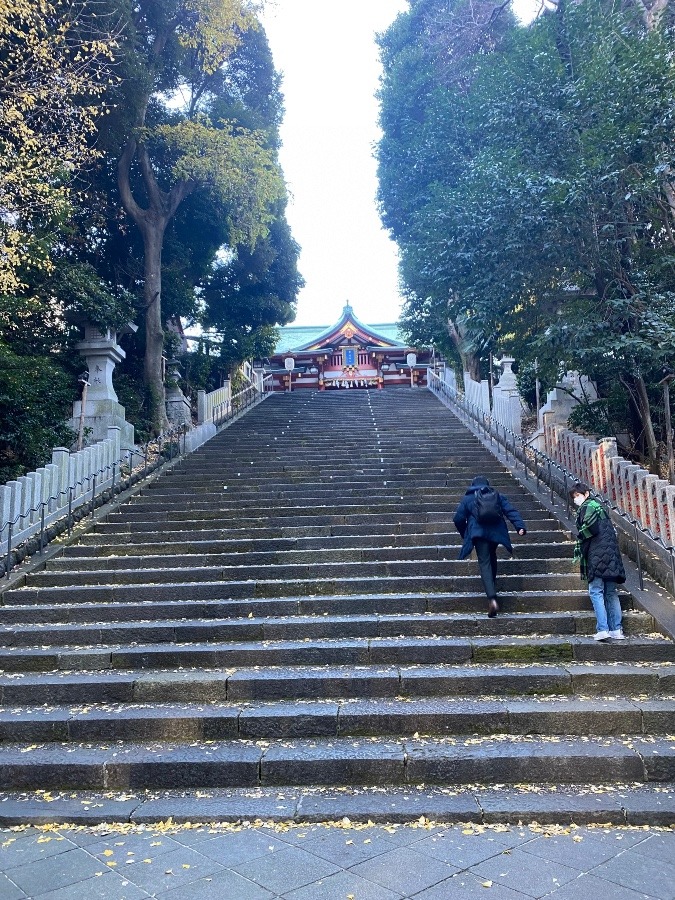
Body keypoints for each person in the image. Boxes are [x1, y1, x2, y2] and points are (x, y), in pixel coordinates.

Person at [453, 476, 527, 617]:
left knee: (484, 561)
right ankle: (491, 588)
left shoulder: (468, 498)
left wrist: (465, 532)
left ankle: (492, 598)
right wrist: (520, 527)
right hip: (496, 534)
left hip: (478, 534)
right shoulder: (497, 496)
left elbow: (458, 519)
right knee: (492, 557)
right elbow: (511, 511)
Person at [571, 481, 626, 641]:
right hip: (611, 555)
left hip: (597, 554)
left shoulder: (588, 507)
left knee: (596, 591)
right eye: (574, 497)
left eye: (578, 495)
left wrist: (580, 540)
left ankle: (603, 629)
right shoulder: (599, 508)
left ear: (586, 494)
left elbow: (591, 529)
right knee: (610, 592)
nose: (576, 499)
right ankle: (616, 629)